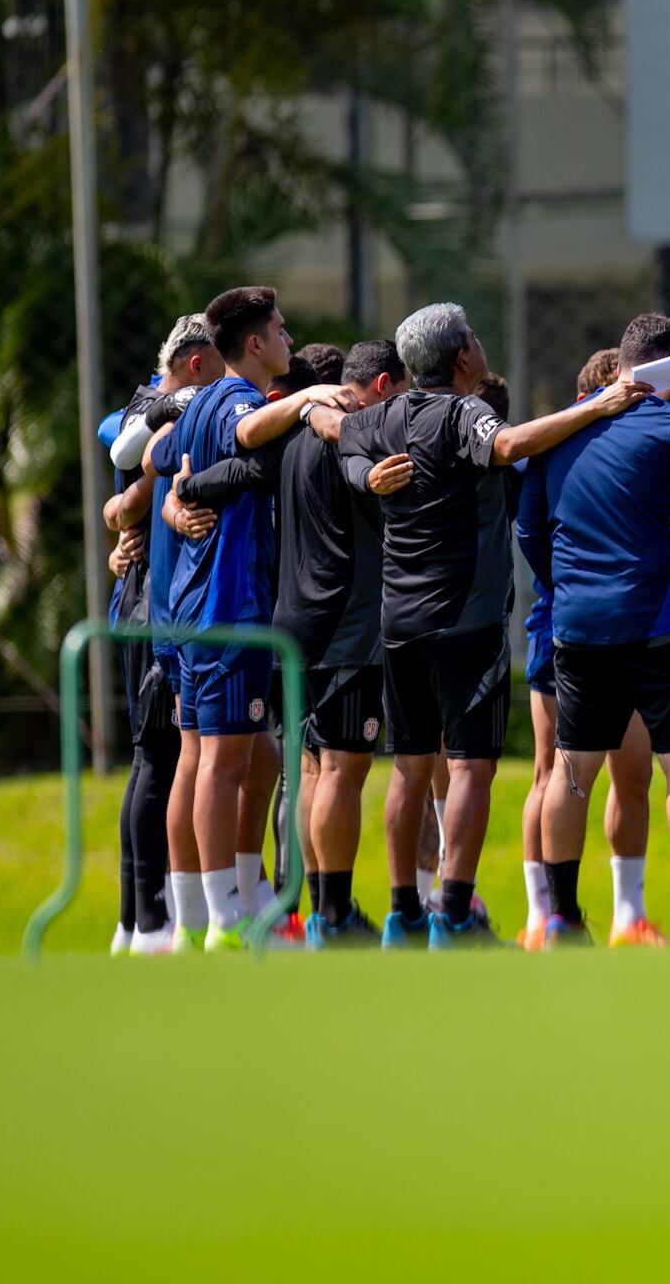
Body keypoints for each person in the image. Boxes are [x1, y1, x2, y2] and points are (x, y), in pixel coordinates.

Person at [337, 302, 647, 948]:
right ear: (460, 358)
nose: (482, 348)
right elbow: (505, 445)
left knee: (410, 767)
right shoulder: (464, 411)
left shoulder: (381, 416)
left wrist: (364, 476)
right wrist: (596, 407)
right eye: (475, 338)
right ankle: (452, 915)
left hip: (398, 621)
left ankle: (402, 915)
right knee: (471, 768)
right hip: (464, 620)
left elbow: (345, 442)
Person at [172, 339, 405, 946]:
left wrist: (186, 492)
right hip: (348, 628)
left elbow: (238, 472)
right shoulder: (353, 432)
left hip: (290, 627)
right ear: (372, 387)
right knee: (343, 772)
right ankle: (333, 911)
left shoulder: (290, 439)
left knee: (305, 769)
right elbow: (362, 474)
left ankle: (297, 904)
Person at [518, 313, 670, 947]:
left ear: (620, 365)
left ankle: (560, 917)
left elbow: (530, 531)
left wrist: (562, 587)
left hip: (580, 626)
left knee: (572, 772)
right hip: (664, 621)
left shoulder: (558, 430)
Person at [147, 288, 298, 952]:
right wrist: (308, 401)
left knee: (240, 756)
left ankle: (224, 908)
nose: (289, 338)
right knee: (221, 762)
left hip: (192, 610)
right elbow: (246, 434)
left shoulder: (200, 398)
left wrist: (178, 494)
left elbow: (154, 455)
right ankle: (223, 920)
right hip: (228, 608)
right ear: (256, 344)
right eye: (281, 328)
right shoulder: (237, 400)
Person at [512, 349, 665, 949]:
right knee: (554, 772)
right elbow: (530, 536)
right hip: (563, 630)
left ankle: (629, 915)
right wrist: (566, 582)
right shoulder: (554, 451)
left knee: (633, 773)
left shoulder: (635, 453)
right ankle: (541, 915)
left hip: (628, 628)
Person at [99, 315, 218, 953]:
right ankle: (147, 919)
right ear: (197, 361)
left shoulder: (163, 407)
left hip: (150, 601)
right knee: (158, 759)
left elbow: (118, 500)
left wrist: (121, 512)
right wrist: (132, 505)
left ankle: (133, 920)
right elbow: (125, 466)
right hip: (151, 607)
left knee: (159, 760)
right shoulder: (155, 408)